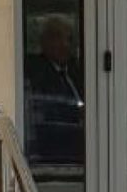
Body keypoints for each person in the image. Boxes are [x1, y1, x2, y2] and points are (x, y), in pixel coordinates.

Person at [24, 15, 84, 163]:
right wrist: (78, 113)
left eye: (69, 39)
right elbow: (47, 108)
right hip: (53, 150)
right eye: (57, 37)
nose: (65, 44)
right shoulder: (36, 72)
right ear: (44, 41)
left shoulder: (76, 71)